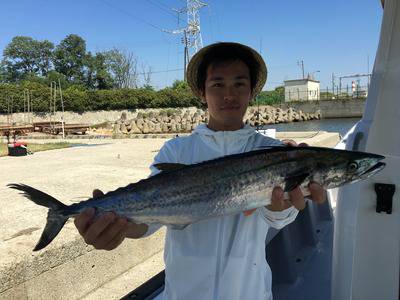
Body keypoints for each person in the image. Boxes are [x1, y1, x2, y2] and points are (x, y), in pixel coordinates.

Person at [74, 42, 327, 300]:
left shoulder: (274, 152)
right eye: (217, 84)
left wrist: (280, 208)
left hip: (248, 292)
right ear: (202, 93)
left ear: (251, 91)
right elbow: (149, 222)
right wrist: (118, 229)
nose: (229, 94)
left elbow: (278, 217)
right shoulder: (176, 152)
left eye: (239, 83)